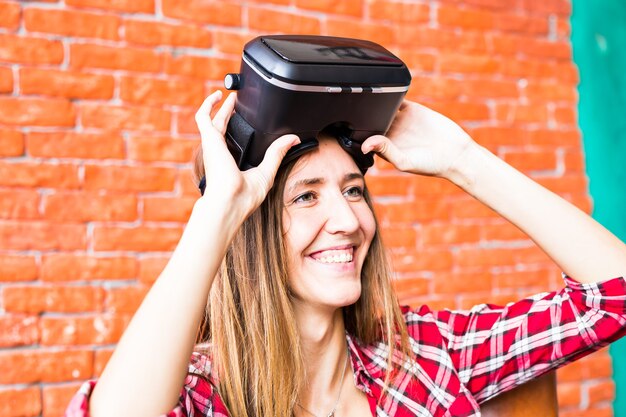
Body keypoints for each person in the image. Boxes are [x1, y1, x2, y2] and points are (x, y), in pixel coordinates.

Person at [65, 90, 626, 417]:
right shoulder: (204, 394)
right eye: (307, 196)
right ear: (250, 228)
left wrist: (462, 159)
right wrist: (217, 214)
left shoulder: (424, 359)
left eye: (353, 190)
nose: (349, 221)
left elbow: (615, 296)